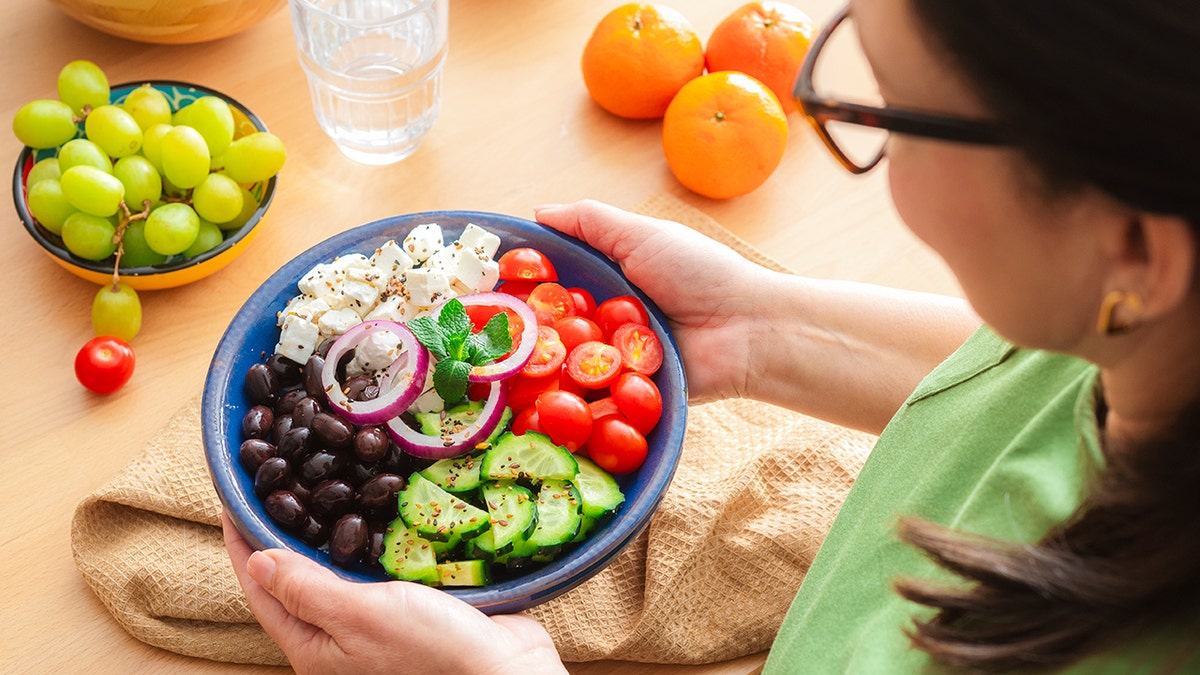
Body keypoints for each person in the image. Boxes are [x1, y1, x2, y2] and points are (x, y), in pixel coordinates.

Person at [223, 0, 1200, 671]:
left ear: (1133, 252)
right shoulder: (1148, 337)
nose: (856, 134)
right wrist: (761, 327)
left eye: (896, 113)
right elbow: (1035, 374)